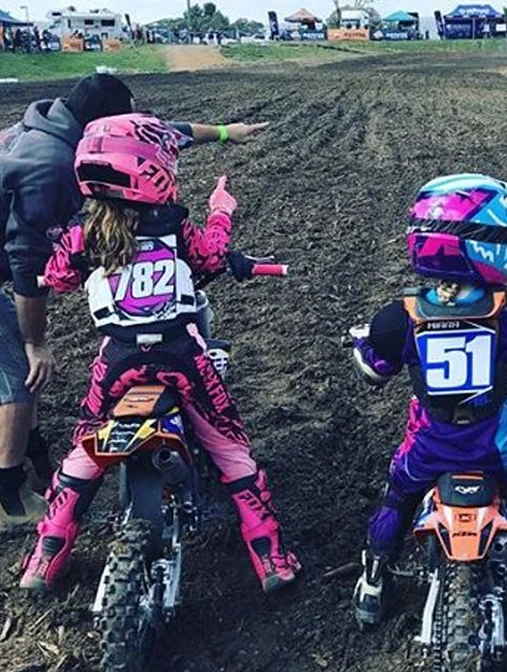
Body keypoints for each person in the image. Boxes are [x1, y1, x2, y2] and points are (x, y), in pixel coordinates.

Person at [19, 114, 301, 595]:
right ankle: (270, 555)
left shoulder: (85, 234)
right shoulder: (174, 226)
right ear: (152, 169)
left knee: (86, 447)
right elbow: (211, 257)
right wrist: (221, 212)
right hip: (180, 356)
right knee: (230, 447)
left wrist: (54, 269)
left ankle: (45, 558)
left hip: (118, 362)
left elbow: (60, 276)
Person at [0, 73, 271, 531]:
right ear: (106, 127)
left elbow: (163, 133)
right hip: (18, 268)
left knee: (66, 407)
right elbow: (28, 267)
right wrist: (36, 342)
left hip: (97, 332)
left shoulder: (64, 131)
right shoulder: (52, 167)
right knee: (18, 375)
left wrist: (227, 132)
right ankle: (9, 497)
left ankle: (43, 467)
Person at [351, 174, 507, 628]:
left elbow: (373, 371)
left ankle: (374, 582)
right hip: (498, 442)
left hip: (431, 443)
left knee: (397, 497)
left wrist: (364, 345)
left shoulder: (401, 317)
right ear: (489, 245)